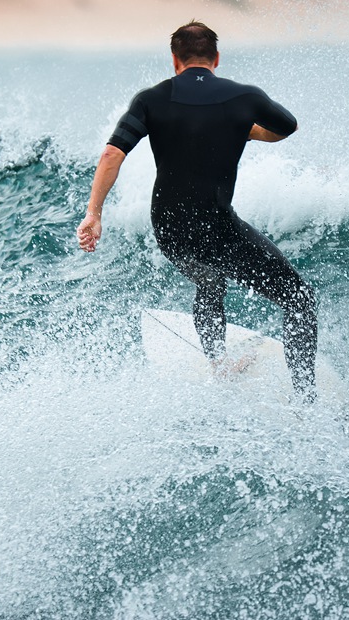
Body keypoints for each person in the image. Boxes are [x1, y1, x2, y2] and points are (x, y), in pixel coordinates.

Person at [76, 21, 317, 400]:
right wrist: (246, 129)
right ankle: (306, 398)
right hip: (219, 226)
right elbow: (287, 127)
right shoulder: (244, 97)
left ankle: (219, 366)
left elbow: (111, 153)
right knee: (298, 297)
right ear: (216, 58)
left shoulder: (151, 99)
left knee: (208, 280)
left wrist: (94, 213)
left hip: (169, 228)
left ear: (175, 60)